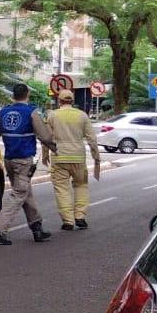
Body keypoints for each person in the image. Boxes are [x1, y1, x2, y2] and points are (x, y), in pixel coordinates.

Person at [0, 83, 55, 245]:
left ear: (13, 95)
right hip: (23, 160)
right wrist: (55, 148)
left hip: (9, 160)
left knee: (25, 192)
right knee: (19, 194)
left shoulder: (3, 112)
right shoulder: (31, 112)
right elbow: (45, 136)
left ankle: (37, 228)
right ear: (27, 95)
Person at [47, 89, 103, 230]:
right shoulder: (82, 116)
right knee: (81, 185)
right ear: (72, 101)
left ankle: (68, 221)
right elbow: (92, 138)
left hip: (59, 157)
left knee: (62, 189)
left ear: (59, 101)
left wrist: (44, 155)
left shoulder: (52, 115)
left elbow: (46, 138)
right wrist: (96, 157)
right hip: (78, 158)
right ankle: (80, 217)